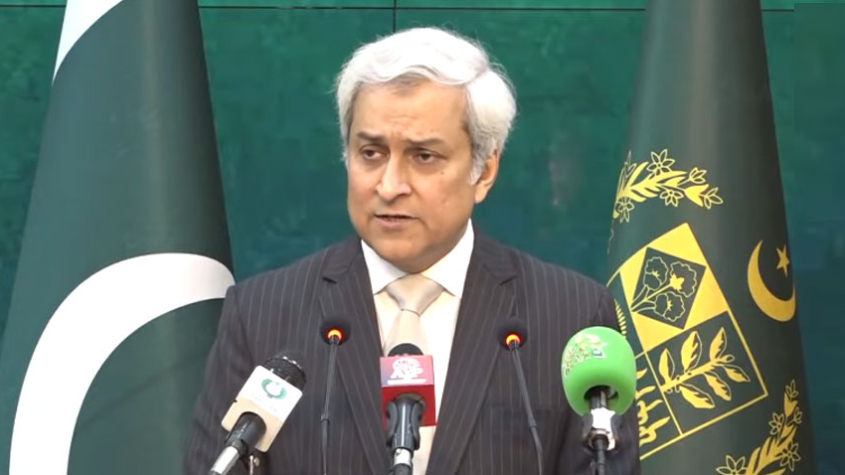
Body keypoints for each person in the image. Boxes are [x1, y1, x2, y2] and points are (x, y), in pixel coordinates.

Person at [184, 27, 640, 475]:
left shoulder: (570, 317)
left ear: (484, 170)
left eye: (423, 156)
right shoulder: (262, 316)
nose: (389, 186)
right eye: (371, 153)